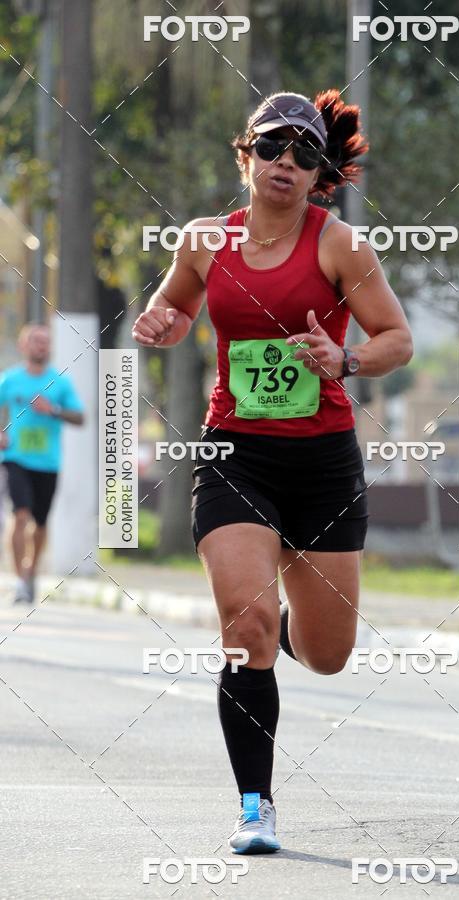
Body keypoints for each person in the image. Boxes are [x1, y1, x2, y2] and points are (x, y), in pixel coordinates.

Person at [132, 89, 413, 854]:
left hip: (321, 463)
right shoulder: (202, 241)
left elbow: (398, 338)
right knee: (243, 627)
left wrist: (346, 356)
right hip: (235, 454)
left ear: (318, 170)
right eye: (271, 147)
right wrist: (162, 324)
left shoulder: (339, 247)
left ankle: (292, 625)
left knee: (327, 655)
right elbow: (176, 309)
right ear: (244, 152)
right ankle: (255, 806)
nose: (285, 162)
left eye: (303, 153)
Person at [0, 323, 84, 604]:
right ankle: (20, 580)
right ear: (24, 346)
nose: (41, 346)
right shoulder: (10, 380)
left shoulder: (59, 383)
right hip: (15, 457)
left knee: (40, 523)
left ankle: (31, 570)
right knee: (20, 513)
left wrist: (54, 410)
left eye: (46, 341)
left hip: (48, 462)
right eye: (36, 341)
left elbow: (81, 418)